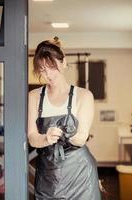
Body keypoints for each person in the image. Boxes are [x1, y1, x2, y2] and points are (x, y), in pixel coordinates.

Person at [28, 37, 101, 199]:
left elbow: (81, 138)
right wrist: (46, 138)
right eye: (42, 69)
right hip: (48, 175)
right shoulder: (34, 97)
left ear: (64, 62)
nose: (48, 74)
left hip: (80, 174)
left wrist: (64, 133)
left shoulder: (83, 95)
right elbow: (32, 138)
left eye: (52, 67)